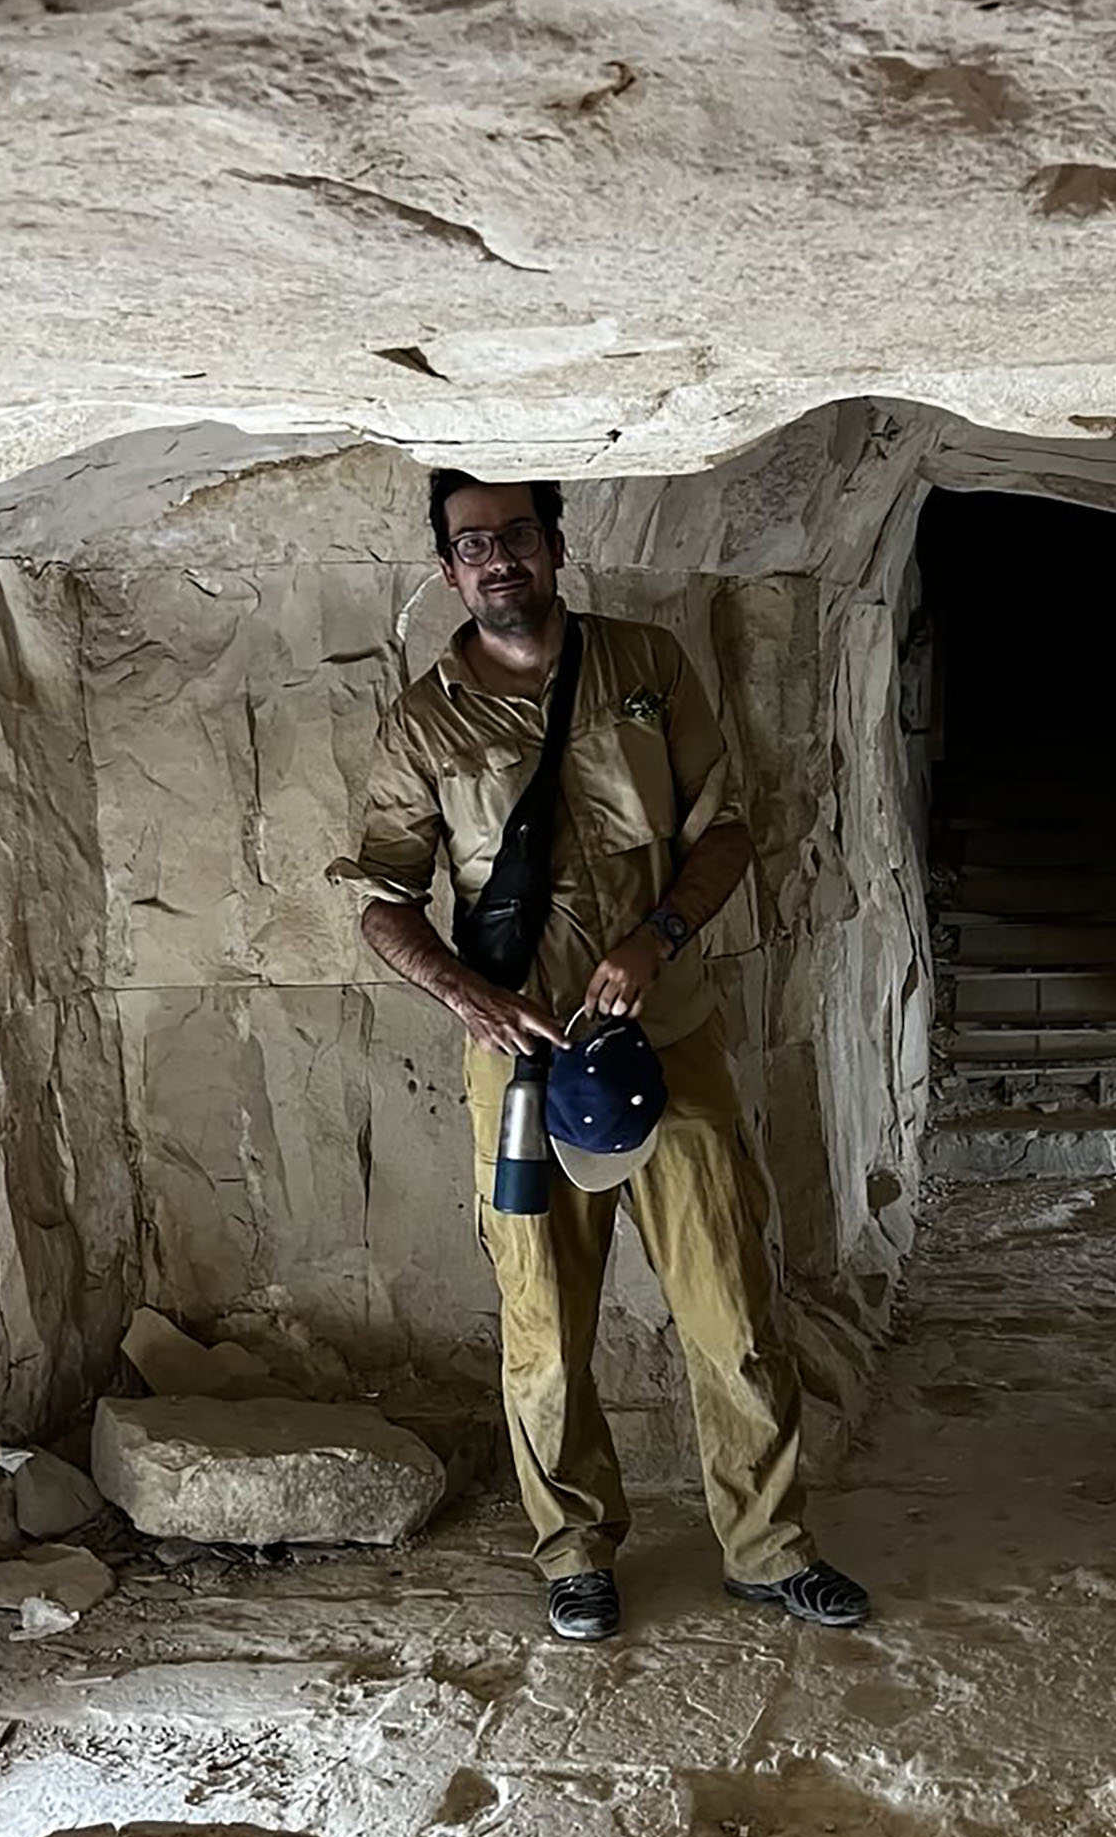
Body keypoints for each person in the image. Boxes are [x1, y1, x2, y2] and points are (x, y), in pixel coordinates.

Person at [328, 470, 870, 1644]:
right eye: (474, 543)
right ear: (448, 571)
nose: (499, 557)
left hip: (664, 1037)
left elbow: (724, 824)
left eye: (518, 533)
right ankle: (573, 1549)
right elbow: (378, 893)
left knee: (731, 1298)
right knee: (543, 1319)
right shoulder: (425, 720)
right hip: (519, 1066)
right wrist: (467, 994)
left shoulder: (646, 666)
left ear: (556, 546)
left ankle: (770, 1547)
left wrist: (656, 935)